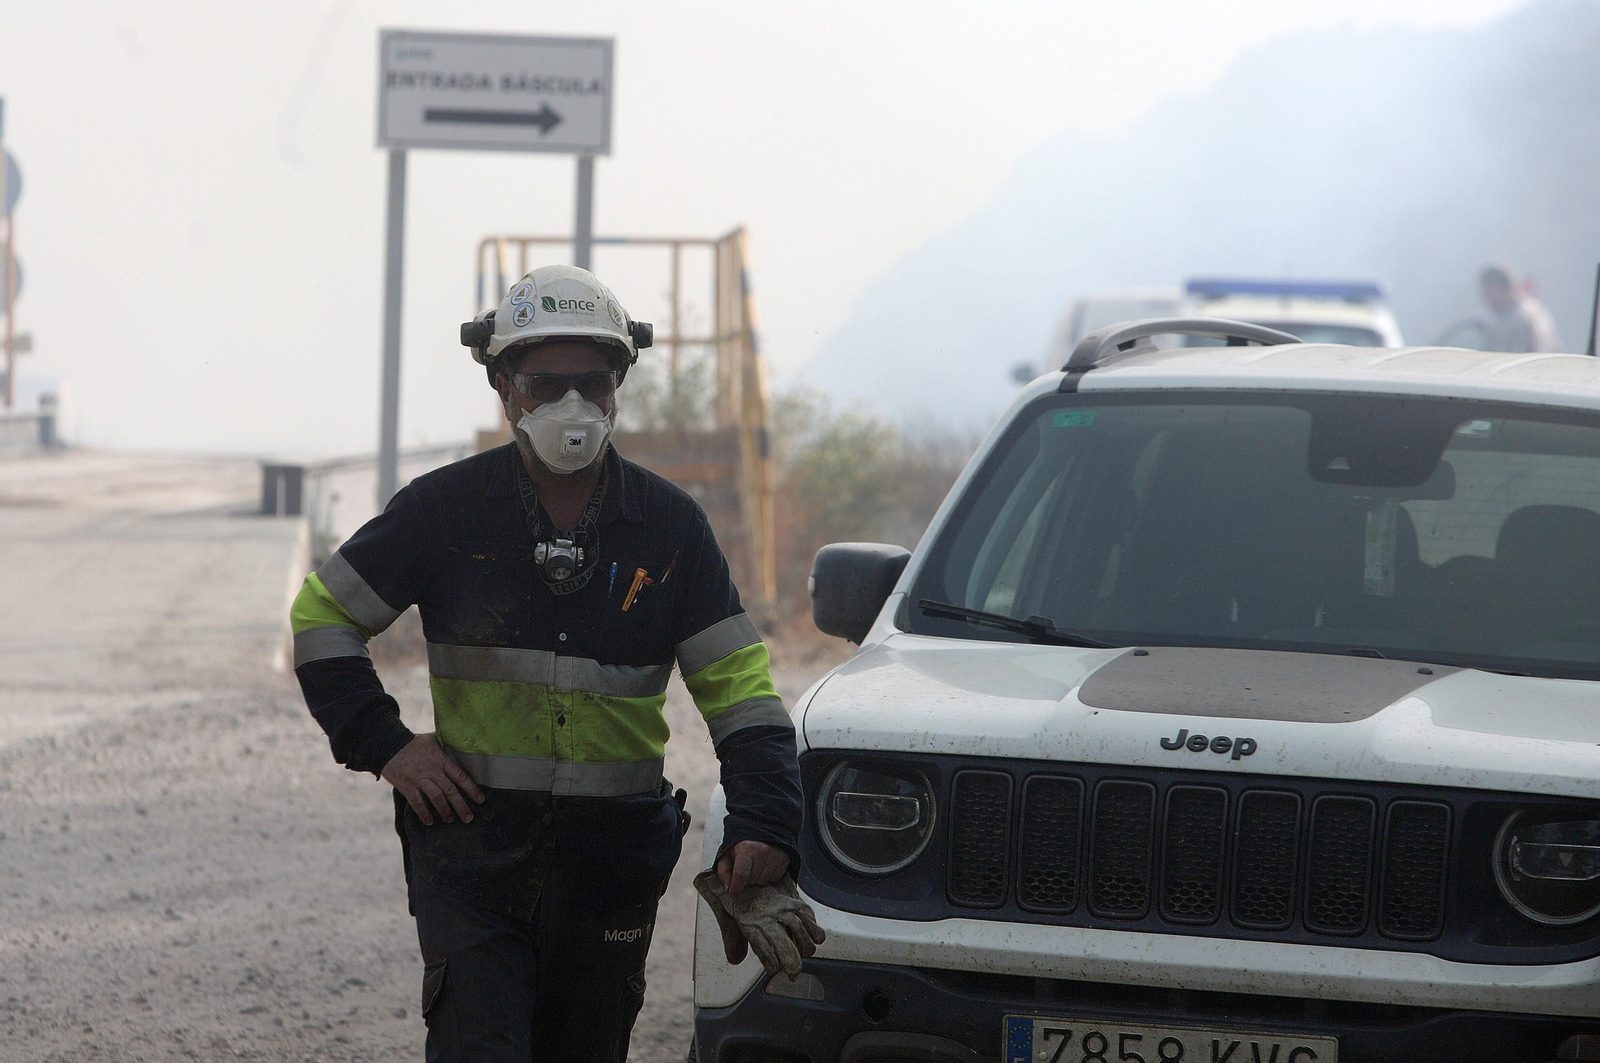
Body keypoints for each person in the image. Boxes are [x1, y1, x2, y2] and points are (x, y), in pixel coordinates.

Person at [288, 264, 819, 1062]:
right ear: (505, 388)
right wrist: (389, 745)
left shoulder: (670, 530)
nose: (573, 407)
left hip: (610, 867)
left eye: (593, 383)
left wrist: (767, 824)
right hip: (474, 859)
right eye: (546, 384)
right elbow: (322, 619)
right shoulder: (442, 512)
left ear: (617, 387)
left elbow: (741, 694)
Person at [1479, 264, 1563, 353]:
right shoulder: (1498, 316)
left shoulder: (1523, 316)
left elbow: (1526, 354)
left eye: (1490, 290)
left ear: (1503, 288)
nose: (1486, 296)